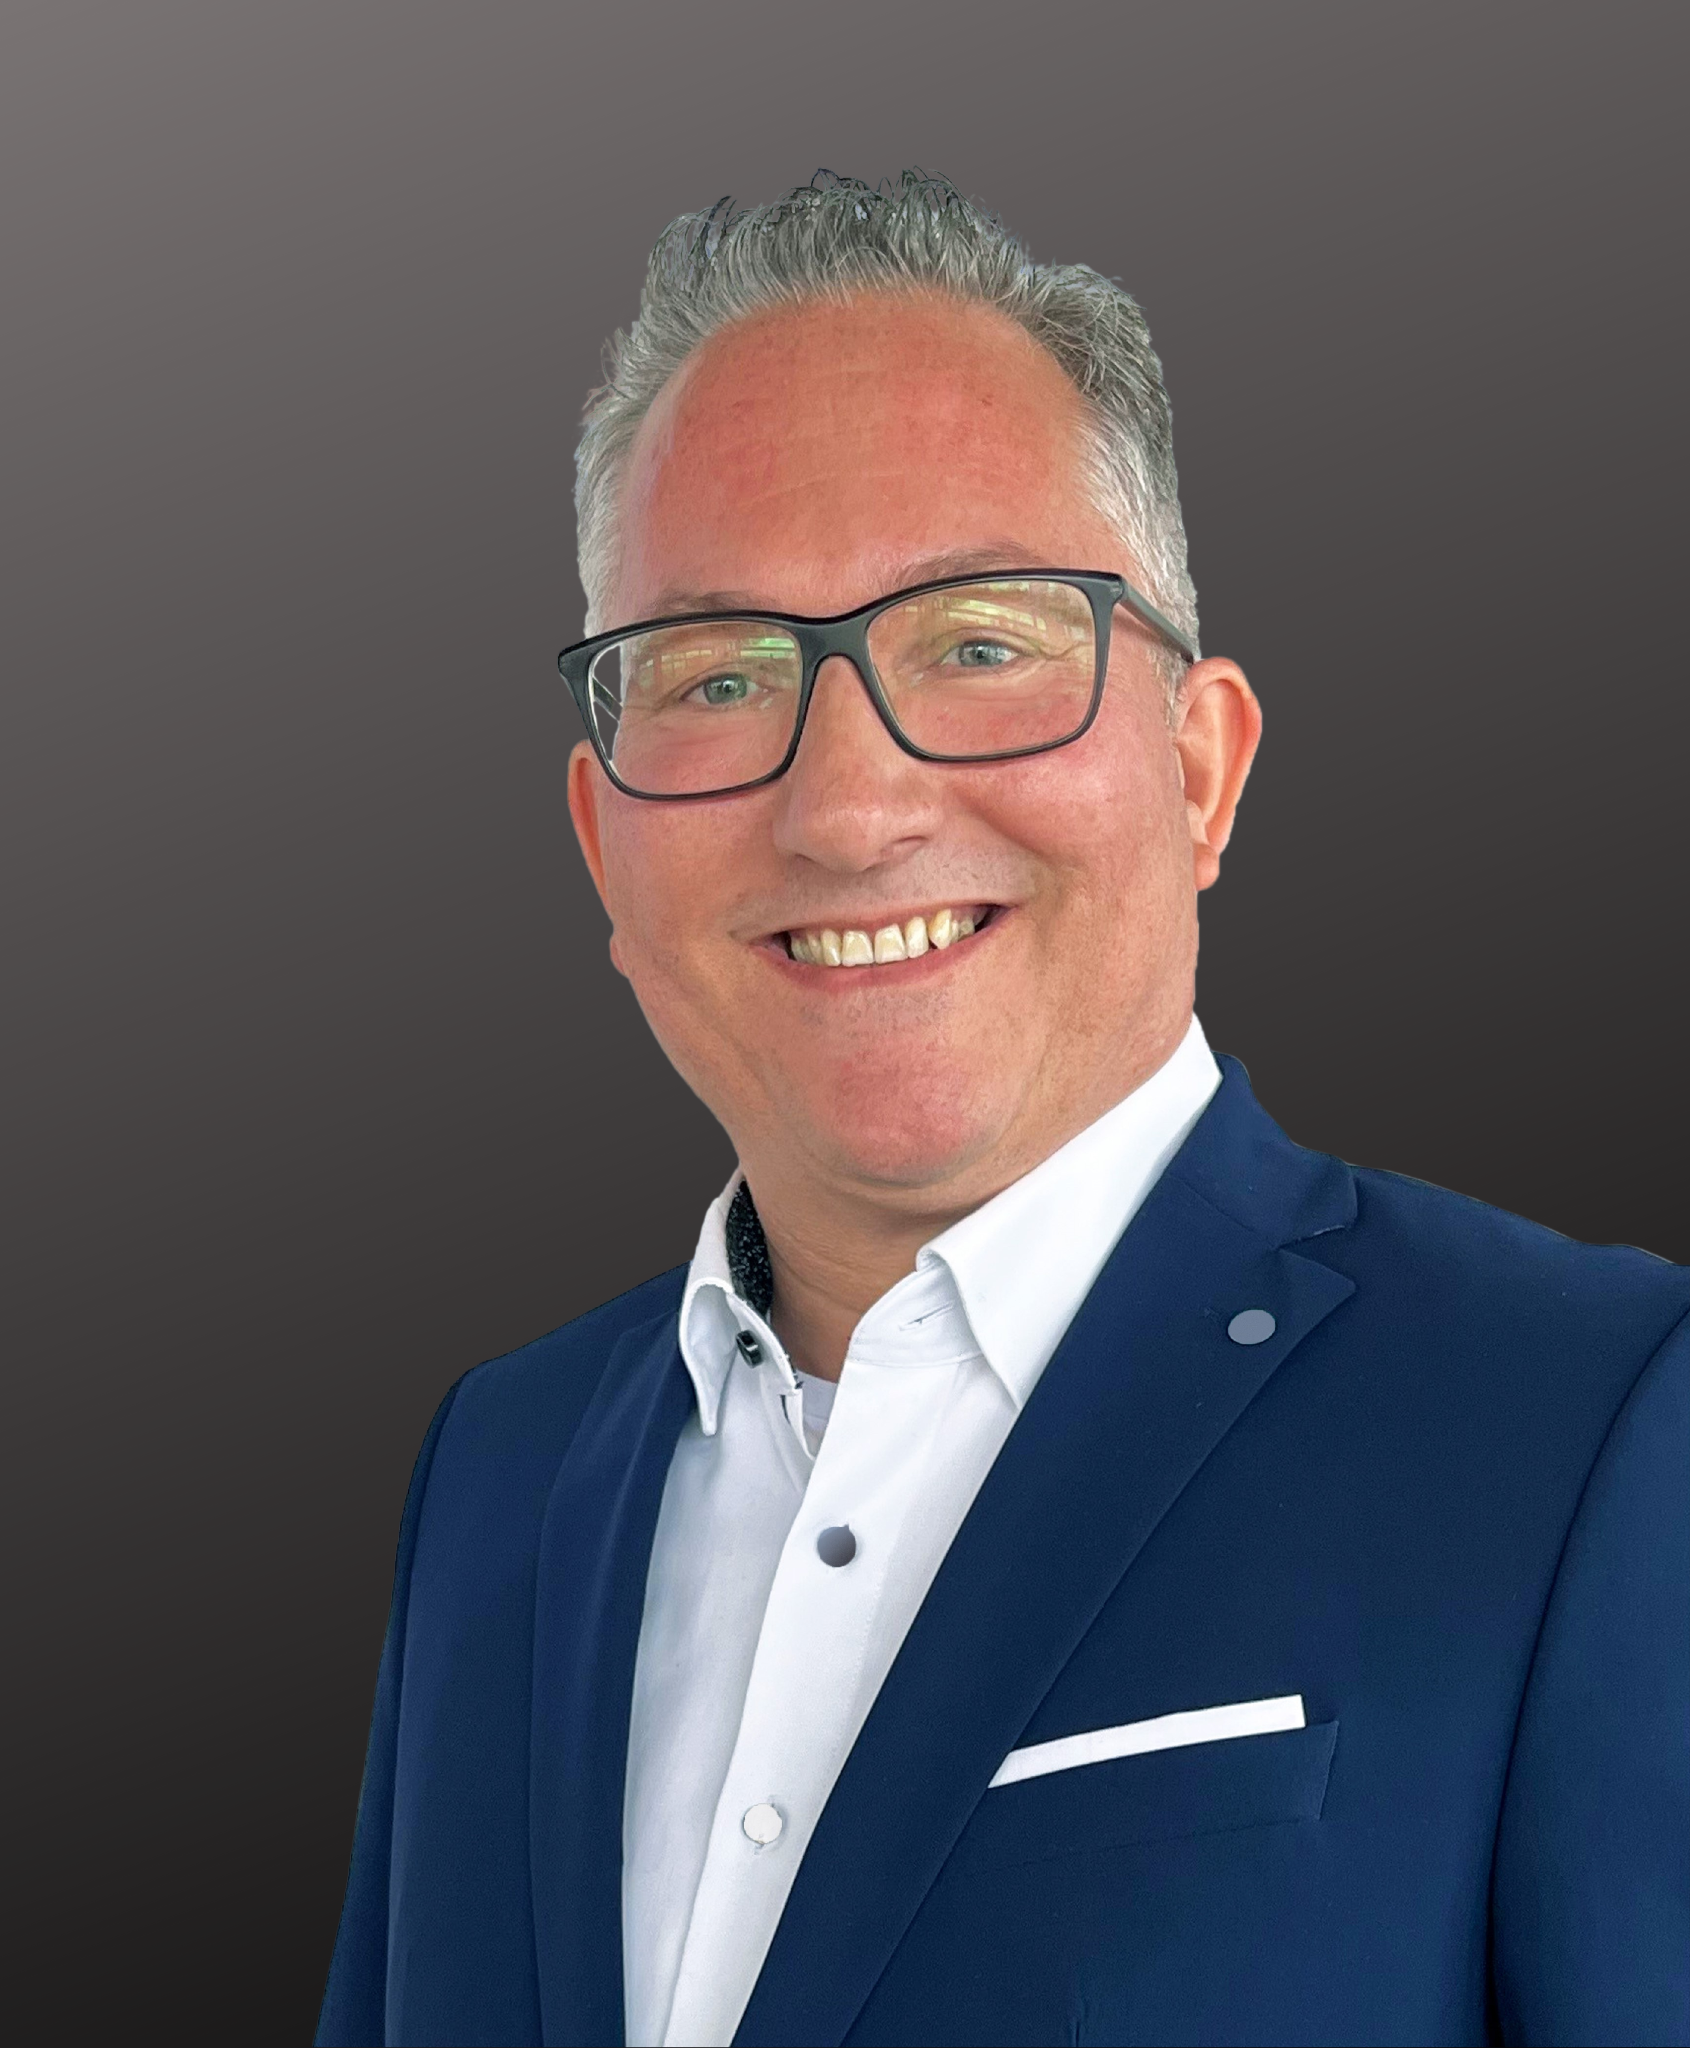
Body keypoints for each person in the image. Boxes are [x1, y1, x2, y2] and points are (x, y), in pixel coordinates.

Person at [316, 173, 1688, 2047]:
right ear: (600, 844)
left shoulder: (1592, 1422)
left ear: (1198, 771)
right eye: (718, 676)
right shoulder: (498, 1473)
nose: (847, 808)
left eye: (976, 643)